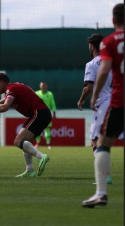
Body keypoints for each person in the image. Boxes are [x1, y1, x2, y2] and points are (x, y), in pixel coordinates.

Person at [82, 3, 124, 208]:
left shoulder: (109, 43)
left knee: (101, 143)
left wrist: (93, 96)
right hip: (115, 98)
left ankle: (101, 191)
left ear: (113, 21)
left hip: (115, 100)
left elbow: (105, 69)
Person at [77, 33, 114, 185]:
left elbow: (88, 87)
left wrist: (81, 100)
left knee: (95, 141)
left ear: (92, 46)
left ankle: (104, 176)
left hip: (103, 104)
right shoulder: (113, 62)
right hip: (117, 101)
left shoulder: (92, 64)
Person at [35, 82, 56, 149]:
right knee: (38, 129)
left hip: (47, 114)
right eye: (42, 86)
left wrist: (54, 113)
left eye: (44, 85)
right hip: (39, 114)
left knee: (47, 129)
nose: (43, 87)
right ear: (40, 86)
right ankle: (38, 143)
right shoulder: (37, 93)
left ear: (46, 86)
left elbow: (53, 104)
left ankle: (48, 144)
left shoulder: (50, 94)